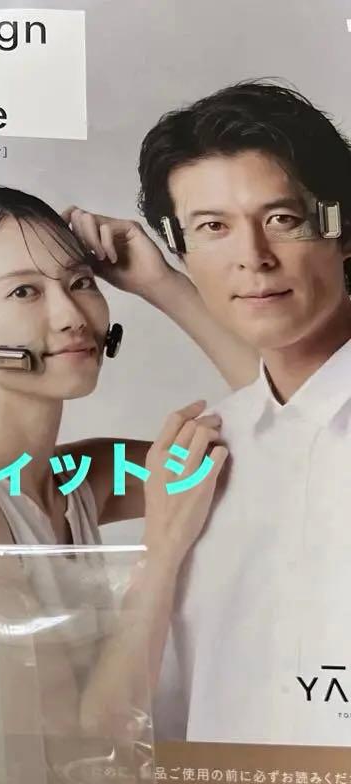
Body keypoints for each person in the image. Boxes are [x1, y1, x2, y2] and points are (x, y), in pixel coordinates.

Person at [0, 184, 230, 737]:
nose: (70, 315)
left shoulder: (80, 478)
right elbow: (72, 754)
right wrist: (161, 552)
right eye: (24, 292)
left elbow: (286, 427)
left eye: (79, 283)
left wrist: (164, 285)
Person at [72, 81, 351, 745]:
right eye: (212, 228)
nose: (253, 258)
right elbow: (118, 728)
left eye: (281, 219)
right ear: (182, 247)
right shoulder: (213, 454)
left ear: (342, 229)